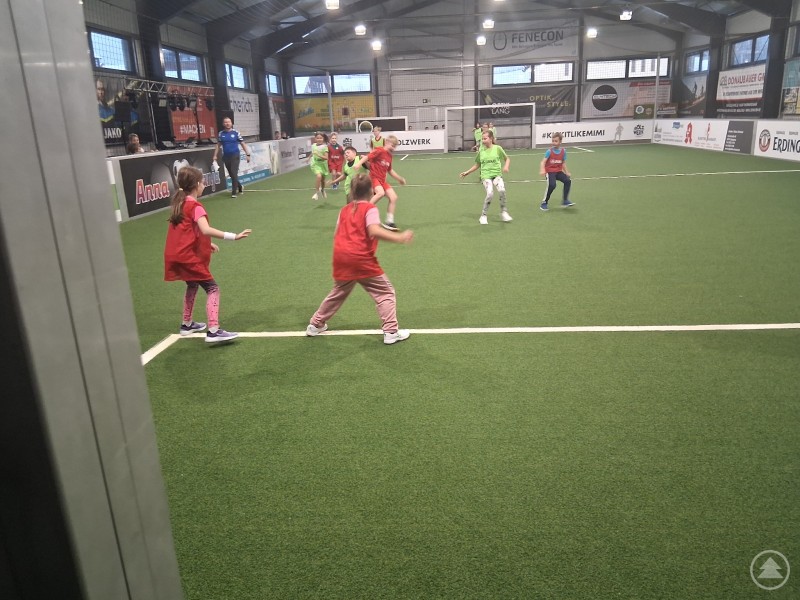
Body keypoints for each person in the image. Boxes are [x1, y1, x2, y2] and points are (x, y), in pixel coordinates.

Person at [306, 173, 414, 345]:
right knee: (385, 292)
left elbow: (336, 234)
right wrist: (399, 238)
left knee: (339, 292)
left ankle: (315, 324)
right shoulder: (370, 209)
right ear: (371, 191)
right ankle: (391, 331)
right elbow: (374, 231)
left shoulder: (343, 210)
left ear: (352, 191)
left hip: (340, 257)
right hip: (360, 259)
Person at [163, 166, 251, 344]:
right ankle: (213, 329)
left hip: (176, 254)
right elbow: (205, 229)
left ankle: (186, 324)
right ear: (197, 184)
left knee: (192, 285)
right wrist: (233, 236)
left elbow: (186, 232)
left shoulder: (180, 204)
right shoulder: (195, 206)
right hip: (188, 257)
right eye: (202, 182)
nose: (203, 185)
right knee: (212, 289)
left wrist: (206, 244)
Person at [353, 134, 405, 231]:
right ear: (387, 142)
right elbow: (367, 157)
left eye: (395, 147)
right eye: (393, 146)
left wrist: (399, 179)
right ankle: (363, 212)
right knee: (380, 193)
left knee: (393, 197)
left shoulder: (389, 156)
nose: (394, 148)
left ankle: (389, 221)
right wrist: (359, 164)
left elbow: (390, 170)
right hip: (374, 177)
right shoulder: (379, 150)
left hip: (382, 180)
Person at [459, 130, 512, 225]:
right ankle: (483, 215)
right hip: (485, 176)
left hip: (496, 175)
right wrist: (467, 172)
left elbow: (507, 158)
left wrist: (506, 166)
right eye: (482, 139)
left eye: (485, 138)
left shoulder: (498, 148)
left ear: (491, 138)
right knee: (490, 193)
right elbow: (477, 164)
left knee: (502, 191)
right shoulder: (481, 150)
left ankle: (504, 212)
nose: (483, 141)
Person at [212, 117, 250, 198]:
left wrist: (248, 154)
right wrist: (215, 155)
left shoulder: (236, 133)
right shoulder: (221, 134)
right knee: (231, 174)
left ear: (231, 123)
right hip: (226, 156)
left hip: (235, 155)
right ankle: (239, 186)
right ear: (223, 124)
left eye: (228, 122)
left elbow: (242, 143)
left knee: (234, 172)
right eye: (225, 122)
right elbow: (218, 145)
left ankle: (233, 192)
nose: (227, 123)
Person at [539, 132, 574, 211]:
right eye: (553, 141)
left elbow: (563, 163)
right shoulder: (549, 151)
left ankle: (565, 200)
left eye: (556, 141)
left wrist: (567, 172)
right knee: (552, 185)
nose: (554, 143)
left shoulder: (563, 152)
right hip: (549, 172)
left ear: (560, 142)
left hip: (558, 171)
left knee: (568, 181)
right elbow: (543, 162)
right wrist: (542, 170)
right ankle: (544, 202)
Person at [309, 131, 329, 200]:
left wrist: (319, 155)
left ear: (323, 139)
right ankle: (317, 193)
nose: (319, 139)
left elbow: (326, 158)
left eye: (321, 138)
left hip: (323, 164)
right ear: (315, 139)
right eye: (317, 138)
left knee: (323, 180)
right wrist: (308, 158)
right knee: (318, 176)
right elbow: (313, 153)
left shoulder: (325, 147)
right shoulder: (313, 145)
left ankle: (323, 190)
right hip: (315, 164)